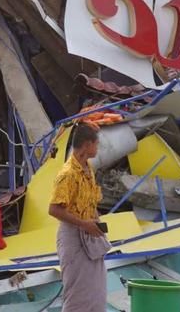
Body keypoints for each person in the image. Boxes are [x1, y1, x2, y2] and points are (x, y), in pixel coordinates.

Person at [47, 122, 109, 312]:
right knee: (77, 296)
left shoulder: (87, 168)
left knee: (96, 293)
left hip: (90, 234)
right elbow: (54, 209)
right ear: (87, 145)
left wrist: (95, 225)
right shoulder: (68, 174)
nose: (97, 148)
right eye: (96, 144)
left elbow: (90, 202)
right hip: (73, 236)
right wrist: (84, 224)